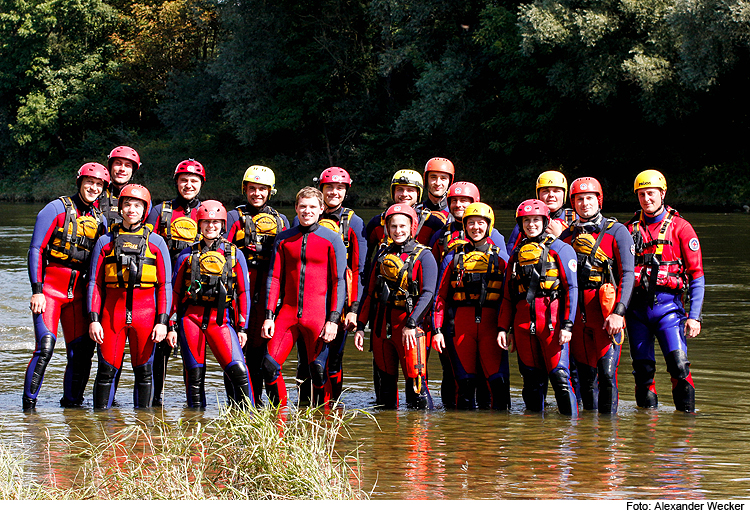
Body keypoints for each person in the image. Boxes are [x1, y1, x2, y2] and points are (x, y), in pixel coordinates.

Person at [24, 163, 110, 410]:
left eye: (99, 185)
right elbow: (36, 250)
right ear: (79, 182)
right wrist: (37, 290)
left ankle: (73, 408)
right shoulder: (55, 209)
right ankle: (28, 410)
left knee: (82, 351)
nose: (93, 188)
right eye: (89, 183)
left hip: (79, 291)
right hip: (50, 289)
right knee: (46, 347)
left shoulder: (100, 220)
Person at [625, 170, 704, 413]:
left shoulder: (681, 227)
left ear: (662, 193)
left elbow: (697, 275)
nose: (646, 199)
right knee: (643, 371)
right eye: (641, 194)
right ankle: (645, 434)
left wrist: (694, 316)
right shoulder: (628, 230)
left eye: (651, 193)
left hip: (668, 309)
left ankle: (685, 428)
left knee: (679, 366)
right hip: (637, 311)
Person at [260, 187, 347, 407]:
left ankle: (322, 421)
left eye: (312, 207)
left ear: (321, 209)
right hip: (287, 314)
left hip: (317, 316)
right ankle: (278, 419)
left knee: (317, 370)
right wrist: (269, 316)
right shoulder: (284, 239)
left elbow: (339, 282)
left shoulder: (332, 240)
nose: (307, 211)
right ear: (296, 209)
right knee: (269, 366)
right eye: (302, 207)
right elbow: (275, 278)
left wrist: (333, 320)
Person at [88, 184, 172, 409]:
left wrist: (162, 322)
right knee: (105, 370)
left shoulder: (157, 243)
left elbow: (165, 285)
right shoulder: (105, 242)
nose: (131, 209)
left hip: (145, 316)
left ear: (144, 210)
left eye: (137, 205)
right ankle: (98, 429)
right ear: (120, 207)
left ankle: (143, 430)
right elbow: (95, 284)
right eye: (127, 204)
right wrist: (94, 320)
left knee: (144, 372)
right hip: (110, 315)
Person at [428, 181, 508, 407]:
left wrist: (504, 327)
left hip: (490, 322)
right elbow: (439, 295)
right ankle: (458, 434)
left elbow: (508, 293)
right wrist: (437, 329)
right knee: (460, 381)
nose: (475, 227)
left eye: (480, 223)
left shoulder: (499, 251)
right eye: (470, 223)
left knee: (495, 383)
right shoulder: (446, 245)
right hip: (457, 322)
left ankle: (491, 437)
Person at [168, 200, 253, 408]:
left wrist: (243, 327)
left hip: (220, 321)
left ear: (223, 224)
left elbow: (243, 293)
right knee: (194, 375)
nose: (211, 226)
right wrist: (171, 326)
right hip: (190, 320)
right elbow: (175, 293)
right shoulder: (186, 255)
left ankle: (247, 420)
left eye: (215, 222)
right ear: (199, 224)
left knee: (239, 371)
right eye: (206, 222)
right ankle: (194, 426)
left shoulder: (234, 254)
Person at [560, 177, 634, 414]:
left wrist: (618, 312)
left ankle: (608, 440)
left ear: (599, 200)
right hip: (579, 318)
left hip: (605, 315)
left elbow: (628, 275)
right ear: (573, 203)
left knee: (607, 375)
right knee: (586, 378)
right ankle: (588, 442)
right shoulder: (566, 237)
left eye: (589, 198)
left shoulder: (617, 232)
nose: (584, 203)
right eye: (579, 199)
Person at [497, 199, 579, 416]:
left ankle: (570, 438)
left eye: (536, 220)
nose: (531, 225)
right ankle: (534, 439)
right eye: (526, 221)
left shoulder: (561, 249)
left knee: (560, 378)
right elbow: (508, 296)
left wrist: (568, 326)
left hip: (552, 325)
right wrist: (504, 329)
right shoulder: (516, 255)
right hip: (523, 326)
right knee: (531, 382)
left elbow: (572, 288)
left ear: (545, 221)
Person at [293, 167, 367, 404]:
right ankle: (304, 408)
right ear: (321, 189)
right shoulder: (302, 217)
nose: (334, 192)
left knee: (333, 358)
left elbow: (358, 269)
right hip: (308, 299)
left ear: (346, 191)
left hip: (339, 300)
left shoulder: (354, 222)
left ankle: (331, 409)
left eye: (340, 188)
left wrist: (354, 309)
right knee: (305, 358)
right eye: (329, 188)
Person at [355, 204, 438, 409]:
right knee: (385, 394)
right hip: (382, 328)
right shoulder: (382, 254)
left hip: (409, 328)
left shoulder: (425, 256)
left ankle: (419, 439)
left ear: (412, 227)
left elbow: (428, 295)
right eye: (393, 226)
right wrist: (360, 326)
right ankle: (387, 440)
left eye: (403, 226)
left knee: (416, 391)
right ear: (387, 229)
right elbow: (369, 293)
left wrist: (411, 323)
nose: (398, 231)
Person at [225, 165, 290, 404]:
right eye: (252, 188)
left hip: (268, 294)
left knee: (261, 351)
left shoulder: (281, 220)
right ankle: (237, 403)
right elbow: (224, 254)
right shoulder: (234, 217)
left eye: (262, 189)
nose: (257, 194)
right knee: (237, 351)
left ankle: (259, 401)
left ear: (270, 191)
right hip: (240, 293)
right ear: (245, 189)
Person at [145, 158, 205, 405]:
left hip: (196, 292)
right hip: (165, 289)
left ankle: (194, 405)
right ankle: (154, 401)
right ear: (176, 182)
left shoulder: (210, 212)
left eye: (194, 181)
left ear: (201, 183)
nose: (188, 185)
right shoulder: (161, 212)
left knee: (194, 347)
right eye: (184, 180)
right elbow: (144, 246)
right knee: (160, 349)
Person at [506, 170, 577, 255]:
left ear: (564, 194)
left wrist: (559, 236)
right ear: (538, 194)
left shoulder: (575, 219)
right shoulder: (525, 221)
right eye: (545, 191)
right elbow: (509, 255)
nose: (551, 195)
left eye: (556, 191)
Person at [98, 146, 141, 226]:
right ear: (110, 167)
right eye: (118, 163)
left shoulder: (141, 197)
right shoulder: (97, 193)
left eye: (128, 165)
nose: (122, 169)